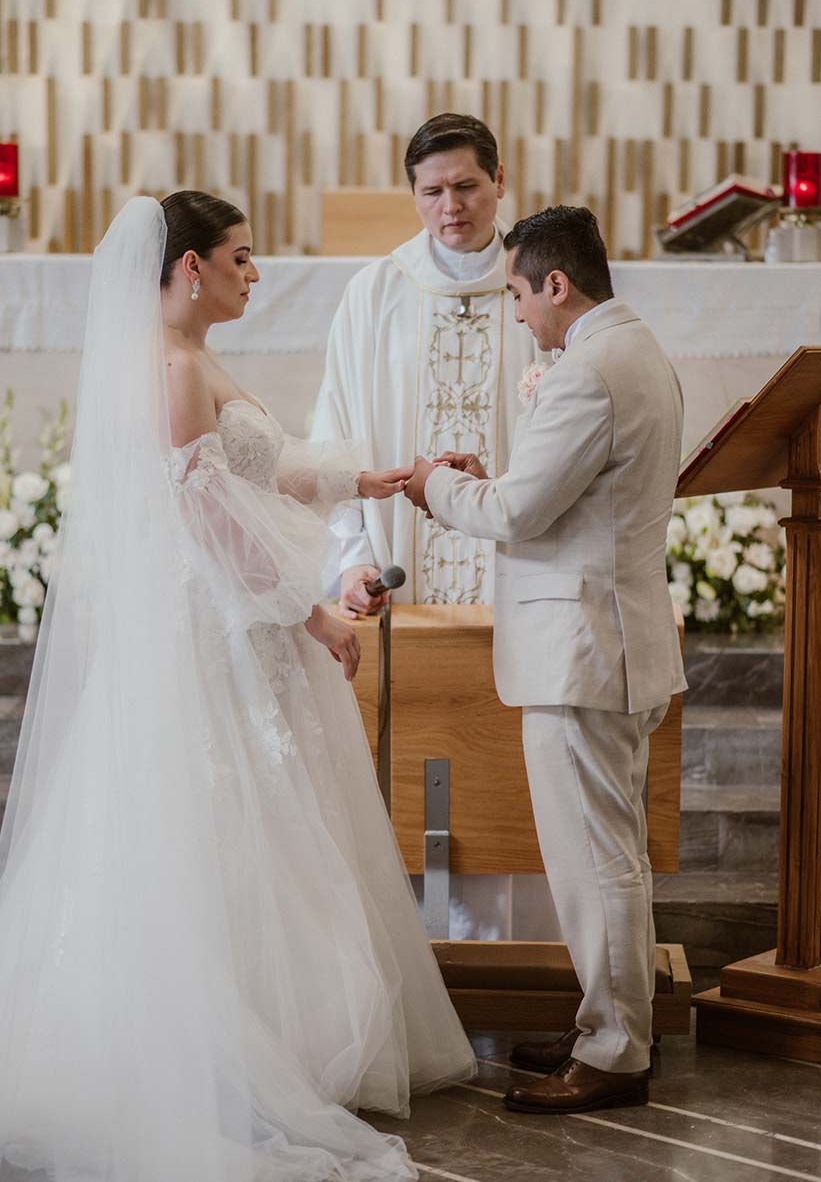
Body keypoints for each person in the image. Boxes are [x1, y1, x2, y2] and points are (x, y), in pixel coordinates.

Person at [0, 192, 475, 1182]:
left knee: (272, 834)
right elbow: (207, 522)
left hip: (238, 622)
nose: (254, 274)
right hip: (212, 632)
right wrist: (310, 607)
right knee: (224, 833)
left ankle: (281, 1047)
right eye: (240, 258)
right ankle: (226, 1058)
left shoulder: (194, 359)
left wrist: (376, 478)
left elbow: (267, 471)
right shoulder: (172, 369)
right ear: (186, 270)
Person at [404, 206, 686, 1114]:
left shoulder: (587, 373)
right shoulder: (631, 350)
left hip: (581, 650)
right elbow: (561, 496)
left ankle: (613, 1052)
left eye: (520, 293)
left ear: (556, 284)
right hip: (614, 636)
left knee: (595, 860)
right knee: (613, 854)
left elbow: (518, 513)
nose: (519, 314)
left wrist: (433, 485)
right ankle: (611, 1022)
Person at [312, 113, 537, 615]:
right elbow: (336, 431)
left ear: (499, 179)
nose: (450, 207)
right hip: (394, 565)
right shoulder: (374, 294)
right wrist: (353, 558)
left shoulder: (540, 286)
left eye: (465, 186)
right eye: (431, 192)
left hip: (520, 571)